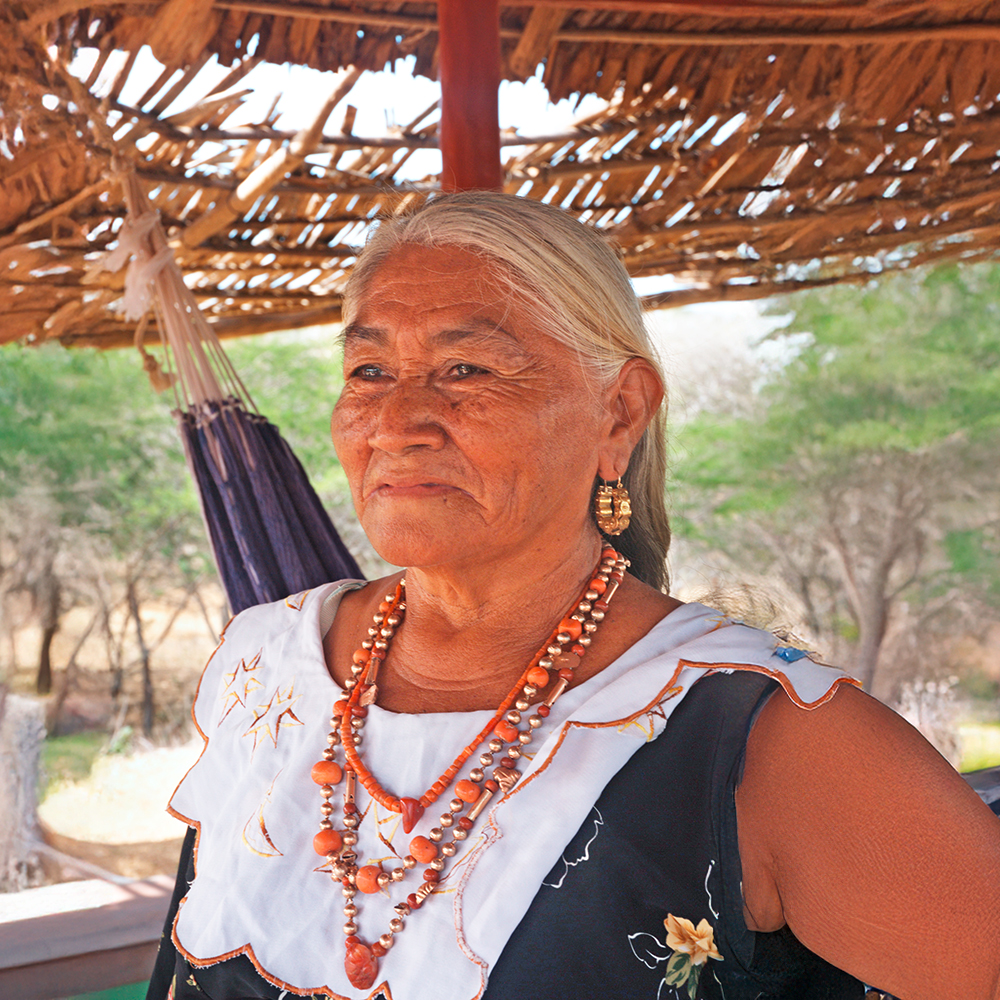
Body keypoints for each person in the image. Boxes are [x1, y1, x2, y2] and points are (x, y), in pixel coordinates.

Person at [148, 192, 1000, 1000]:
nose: (397, 422)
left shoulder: (758, 738)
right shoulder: (267, 670)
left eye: (466, 368)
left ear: (619, 413)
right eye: (369, 370)